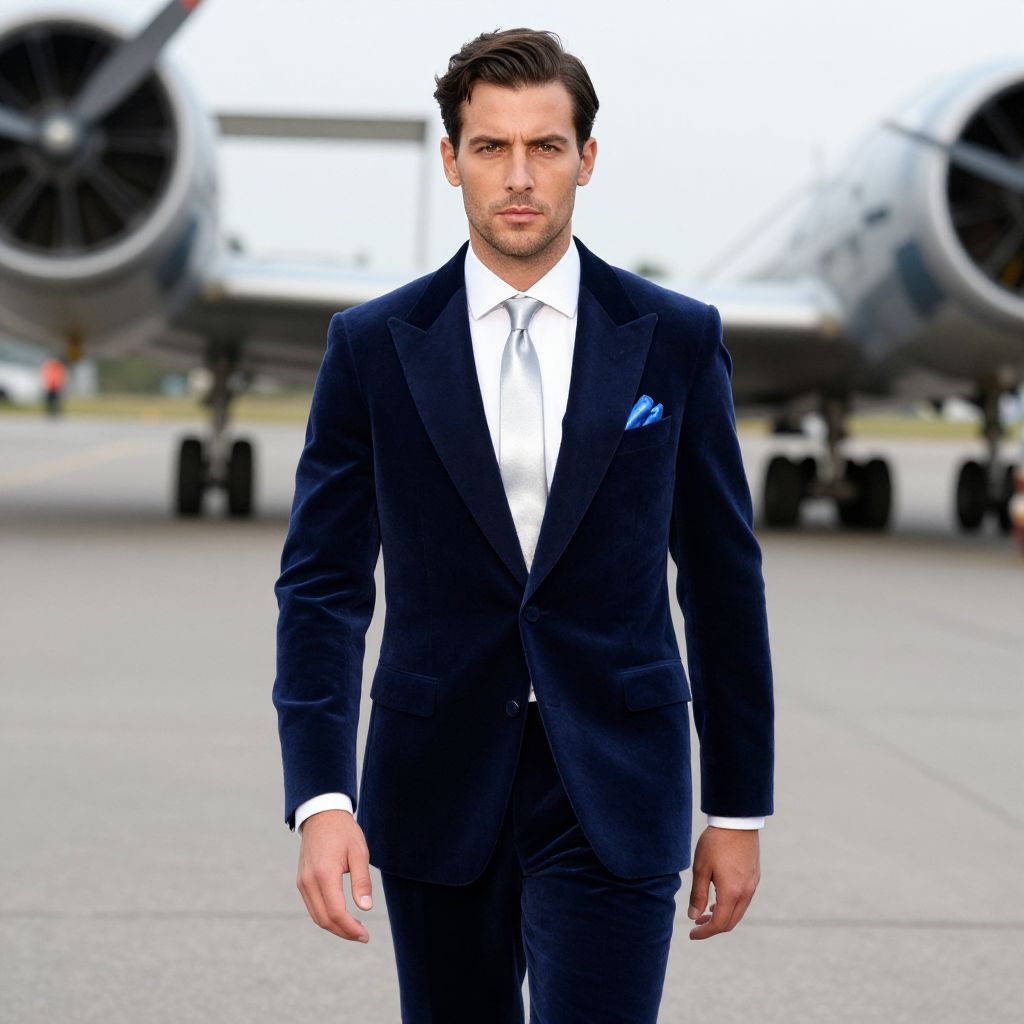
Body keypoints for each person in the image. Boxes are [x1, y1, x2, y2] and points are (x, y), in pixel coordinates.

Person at [273, 27, 774, 1023]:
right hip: (435, 781)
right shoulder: (371, 347)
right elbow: (323, 587)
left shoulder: (676, 340)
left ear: (586, 158)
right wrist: (322, 797)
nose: (517, 176)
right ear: (450, 157)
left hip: (616, 780)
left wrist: (737, 806)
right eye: (490, 146)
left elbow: (722, 583)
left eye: (544, 146)